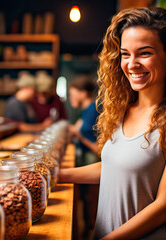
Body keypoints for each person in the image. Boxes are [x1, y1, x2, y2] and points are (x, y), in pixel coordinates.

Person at [59, 7, 166, 240]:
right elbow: (116, 168)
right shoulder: (121, 110)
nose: (131, 64)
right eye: (125, 54)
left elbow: (164, 207)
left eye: (144, 53)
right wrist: (55, 176)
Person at [68, 74, 100, 239]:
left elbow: (98, 144)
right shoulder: (87, 110)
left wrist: (78, 135)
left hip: (93, 160)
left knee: (91, 199)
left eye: (73, 94)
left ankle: (91, 230)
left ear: (83, 93)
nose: (71, 97)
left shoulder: (94, 108)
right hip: (85, 158)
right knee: (86, 198)